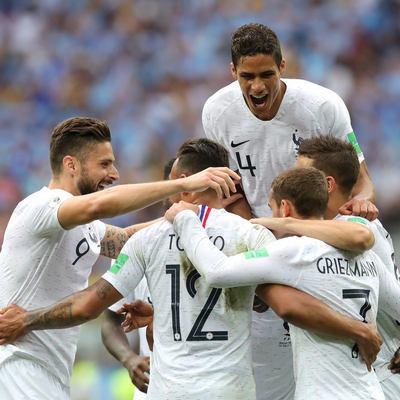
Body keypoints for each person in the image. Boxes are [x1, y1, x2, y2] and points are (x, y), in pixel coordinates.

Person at [0, 139, 381, 400]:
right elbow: (284, 305)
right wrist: (357, 329)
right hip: (228, 389)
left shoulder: (147, 241)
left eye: (172, 184)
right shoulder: (248, 236)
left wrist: (27, 320)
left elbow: (87, 307)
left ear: (186, 183)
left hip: (170, 390)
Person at [0, 118, 239, 400]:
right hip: (18, 360)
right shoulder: (39, 207)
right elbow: (101, 204)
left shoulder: (85, 227)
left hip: (49, 368)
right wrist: (185, 184)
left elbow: (126, 239)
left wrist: (200, 213)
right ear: (71, 165)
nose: (114, 173)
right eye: (104, 164)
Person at [202, 22, 378, 399]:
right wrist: (260, 239)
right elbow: (230, 193)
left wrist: (357, 205)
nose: (258, 86)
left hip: (322, 245)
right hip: (263, 242)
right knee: (272, 379)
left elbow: (361, 180)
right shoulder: (217, 112)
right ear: (233, 71)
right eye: (247, 76)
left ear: (283, 66)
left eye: (267, 74)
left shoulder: (322, 106)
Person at [164, 166, 400, 400]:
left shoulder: (294, 251)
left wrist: (187, 221)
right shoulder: (368, 258)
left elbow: (216, 272)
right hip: (370, 391)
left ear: (284, 208)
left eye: (272, 208)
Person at [295, 135, 400, 399]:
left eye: (301, 174)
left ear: (327, 184)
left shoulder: (357, 229)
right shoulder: (333, 228)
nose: (294, 181)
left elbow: (396, 303)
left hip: (382, 371)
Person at [101, 157, 176, 398]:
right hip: (155, 390)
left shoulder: (227, 241)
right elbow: (111, 320)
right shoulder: (134, 246)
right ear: (166, 192)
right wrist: (129, 358)